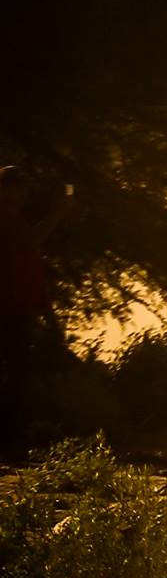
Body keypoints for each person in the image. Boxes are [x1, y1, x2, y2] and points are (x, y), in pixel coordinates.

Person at [0, 166, 69, 450]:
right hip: (8, 309)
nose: (25, 193)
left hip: (18, 309)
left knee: (19, 373)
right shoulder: (6, 219)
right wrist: (59, 212)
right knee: (15, 373)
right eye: (20, 187)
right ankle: (11, 438)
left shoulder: (15, 218)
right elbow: (30, 244)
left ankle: (14, 436)